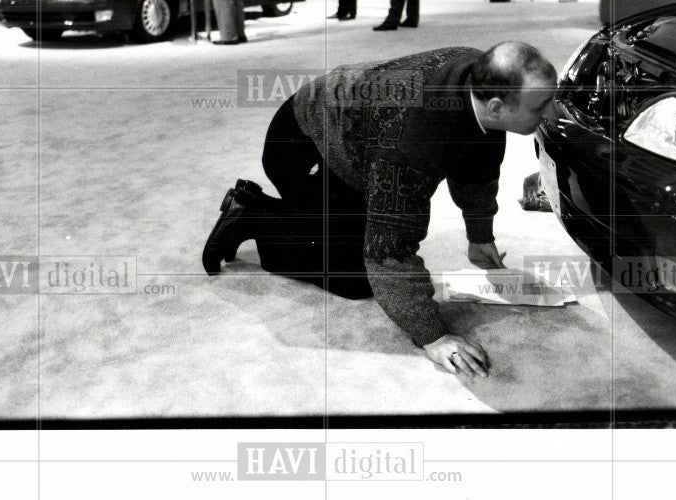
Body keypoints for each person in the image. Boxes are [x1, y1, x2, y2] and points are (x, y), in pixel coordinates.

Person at [202, 43, 558, 378]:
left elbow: (476, 171)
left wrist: (480, 236)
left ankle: (298, 216)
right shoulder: (415, 142)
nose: (552, 112)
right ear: (496, 107)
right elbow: (390, 250)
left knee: (364, 252)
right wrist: (432, 336)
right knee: (357, 280)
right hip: (303, 148)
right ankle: (251, 213)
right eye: (540, 106)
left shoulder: (478, 79)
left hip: (357, 137)